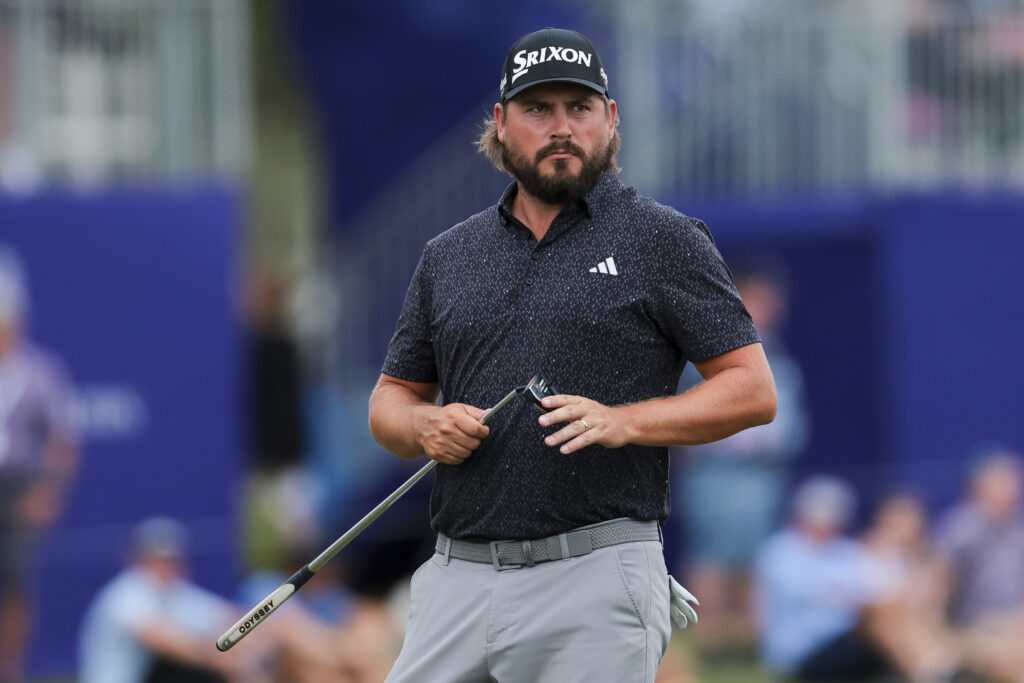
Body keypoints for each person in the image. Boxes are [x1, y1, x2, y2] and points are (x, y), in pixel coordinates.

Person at [367, 27, 777, 682]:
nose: (561, 127)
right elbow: (390, 402)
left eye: (579, 108)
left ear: (609, 121)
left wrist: (627, 421)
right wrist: (422, 425)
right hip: (458, 579)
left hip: (595, 574)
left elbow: (753, 390)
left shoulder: (664, 239)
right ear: (501, 125)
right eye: (538, 109)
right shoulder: (448, 255)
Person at [672, 255, 809, 655]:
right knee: (713, 557)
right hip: (715, 477)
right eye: (763, 299)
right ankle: (711, 644)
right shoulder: (710, 347)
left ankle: (750, 643)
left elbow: (790, 422)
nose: (772, 308)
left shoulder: (778, 353)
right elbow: (692, 413)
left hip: (761, 478)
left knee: (756, 559)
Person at [755, 476, 962, 683]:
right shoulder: (782, 551)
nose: (825, 522)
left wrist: (892, 552)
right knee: (881, 614)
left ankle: (934, 669)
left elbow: (884, 592)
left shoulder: (847, 551)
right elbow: (834, 598)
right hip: (803, 654)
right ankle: (937, 670)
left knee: (887, 614)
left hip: (851, 642)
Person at [0, 246, 79, 683]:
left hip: (14, 485)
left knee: (14, 583)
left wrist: (48, 489)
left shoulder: (40, 372)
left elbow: (62, 439)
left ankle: (9, 670)